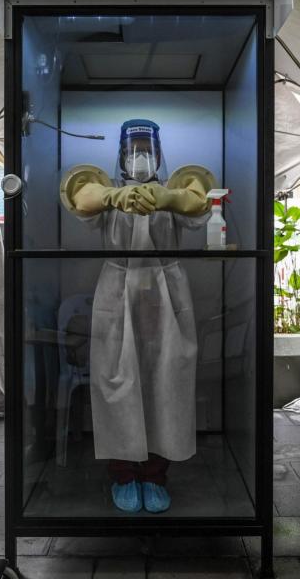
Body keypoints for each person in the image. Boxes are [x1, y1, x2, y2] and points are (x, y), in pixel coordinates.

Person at [59, 119, 215, 513]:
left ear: (160, 153)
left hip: (166, 294)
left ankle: (155, 475)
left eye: (147, 148)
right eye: (133, 148)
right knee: (118, 383)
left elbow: (198, 202)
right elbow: (82, 197)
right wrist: (116, 198)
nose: (140, 156)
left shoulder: (175, 188)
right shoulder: (108, 193)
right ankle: (124, 474)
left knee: (166, 382)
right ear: (121, 154)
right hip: (118, 292)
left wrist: (167, 199)